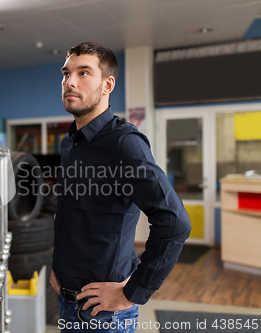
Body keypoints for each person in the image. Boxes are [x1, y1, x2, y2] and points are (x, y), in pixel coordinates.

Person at [49, 40, 192, 333]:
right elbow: (72, 216)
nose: (69, 82)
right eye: (66, 73)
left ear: (107, 84)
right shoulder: (70, 141)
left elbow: (174, 221)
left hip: (104, 315)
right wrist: (59, 268)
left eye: (84, 73)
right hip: (66, 302)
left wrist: (132, 292)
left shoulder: (124, 143)